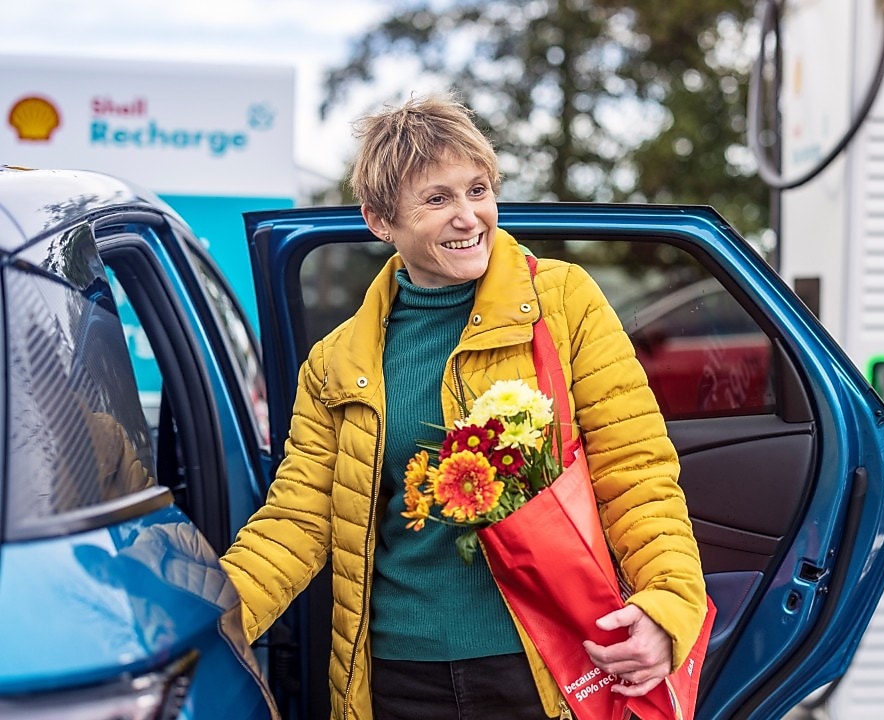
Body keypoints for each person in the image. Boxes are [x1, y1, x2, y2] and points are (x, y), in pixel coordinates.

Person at [220, 94, 707, 720]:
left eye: (477, 190)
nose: (468, 217)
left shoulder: (562, 302)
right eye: (436, 199)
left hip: (544, 660)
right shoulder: (337, 362)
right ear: (378, 221)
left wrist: (667, 601)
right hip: (398, 675)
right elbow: (297, 521)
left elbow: (635, 470)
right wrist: (211, 622)